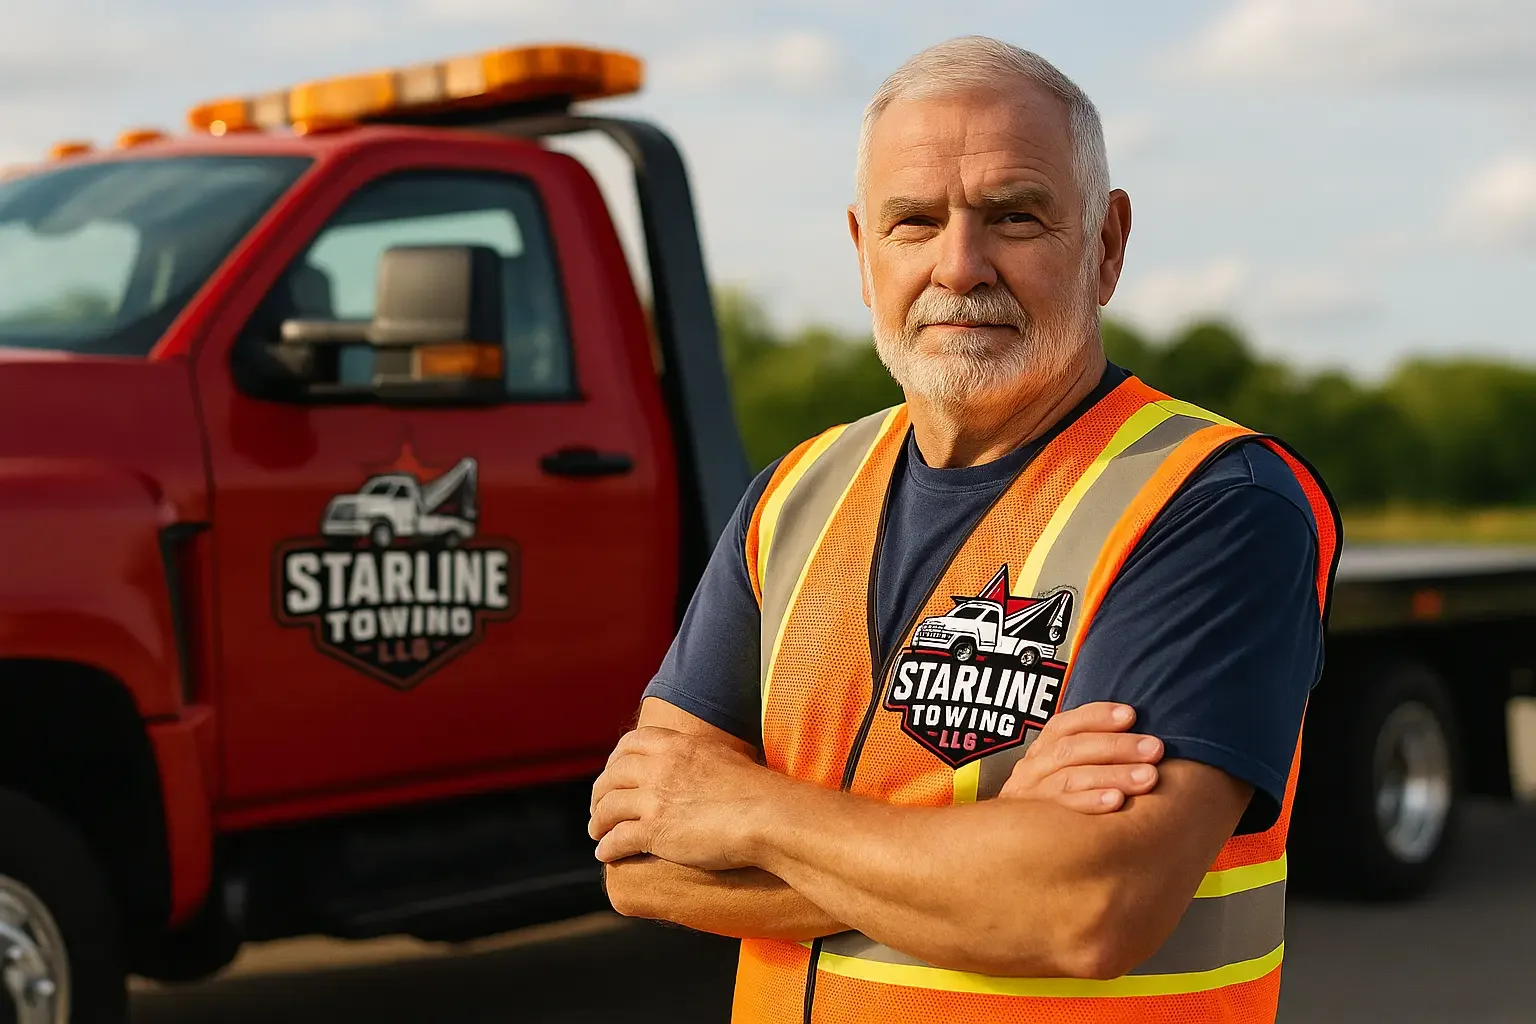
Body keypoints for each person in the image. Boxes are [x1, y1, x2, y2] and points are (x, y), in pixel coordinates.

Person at [589, 34, 1339, 1024]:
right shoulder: (796, 495)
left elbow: (1088, 906)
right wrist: (995, 853)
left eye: (1014, 216)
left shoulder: (1214, 500)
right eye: (913, 221)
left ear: (1106, 244)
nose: (960, 264)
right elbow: (641, 860)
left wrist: (748, 808)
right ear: (863, 252)